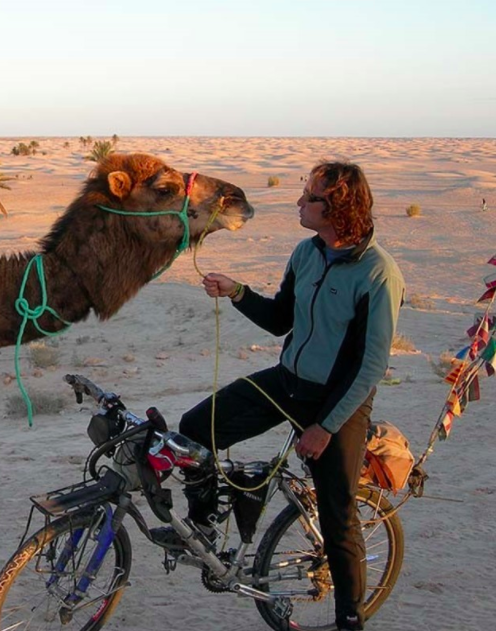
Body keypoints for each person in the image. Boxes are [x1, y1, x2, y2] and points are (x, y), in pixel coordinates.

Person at [161, 161, 405, 631]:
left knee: (339, 520)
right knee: (194, 429)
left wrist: (325, 427)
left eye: (309, 197)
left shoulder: (378, 273)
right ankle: (207, 524)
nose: (299, 202)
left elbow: (372, 366)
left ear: (337, 208)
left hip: (336, 403)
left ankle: (350, 620)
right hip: (285, 382)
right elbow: (279, 320)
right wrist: (237, 292)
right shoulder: (306, 253)